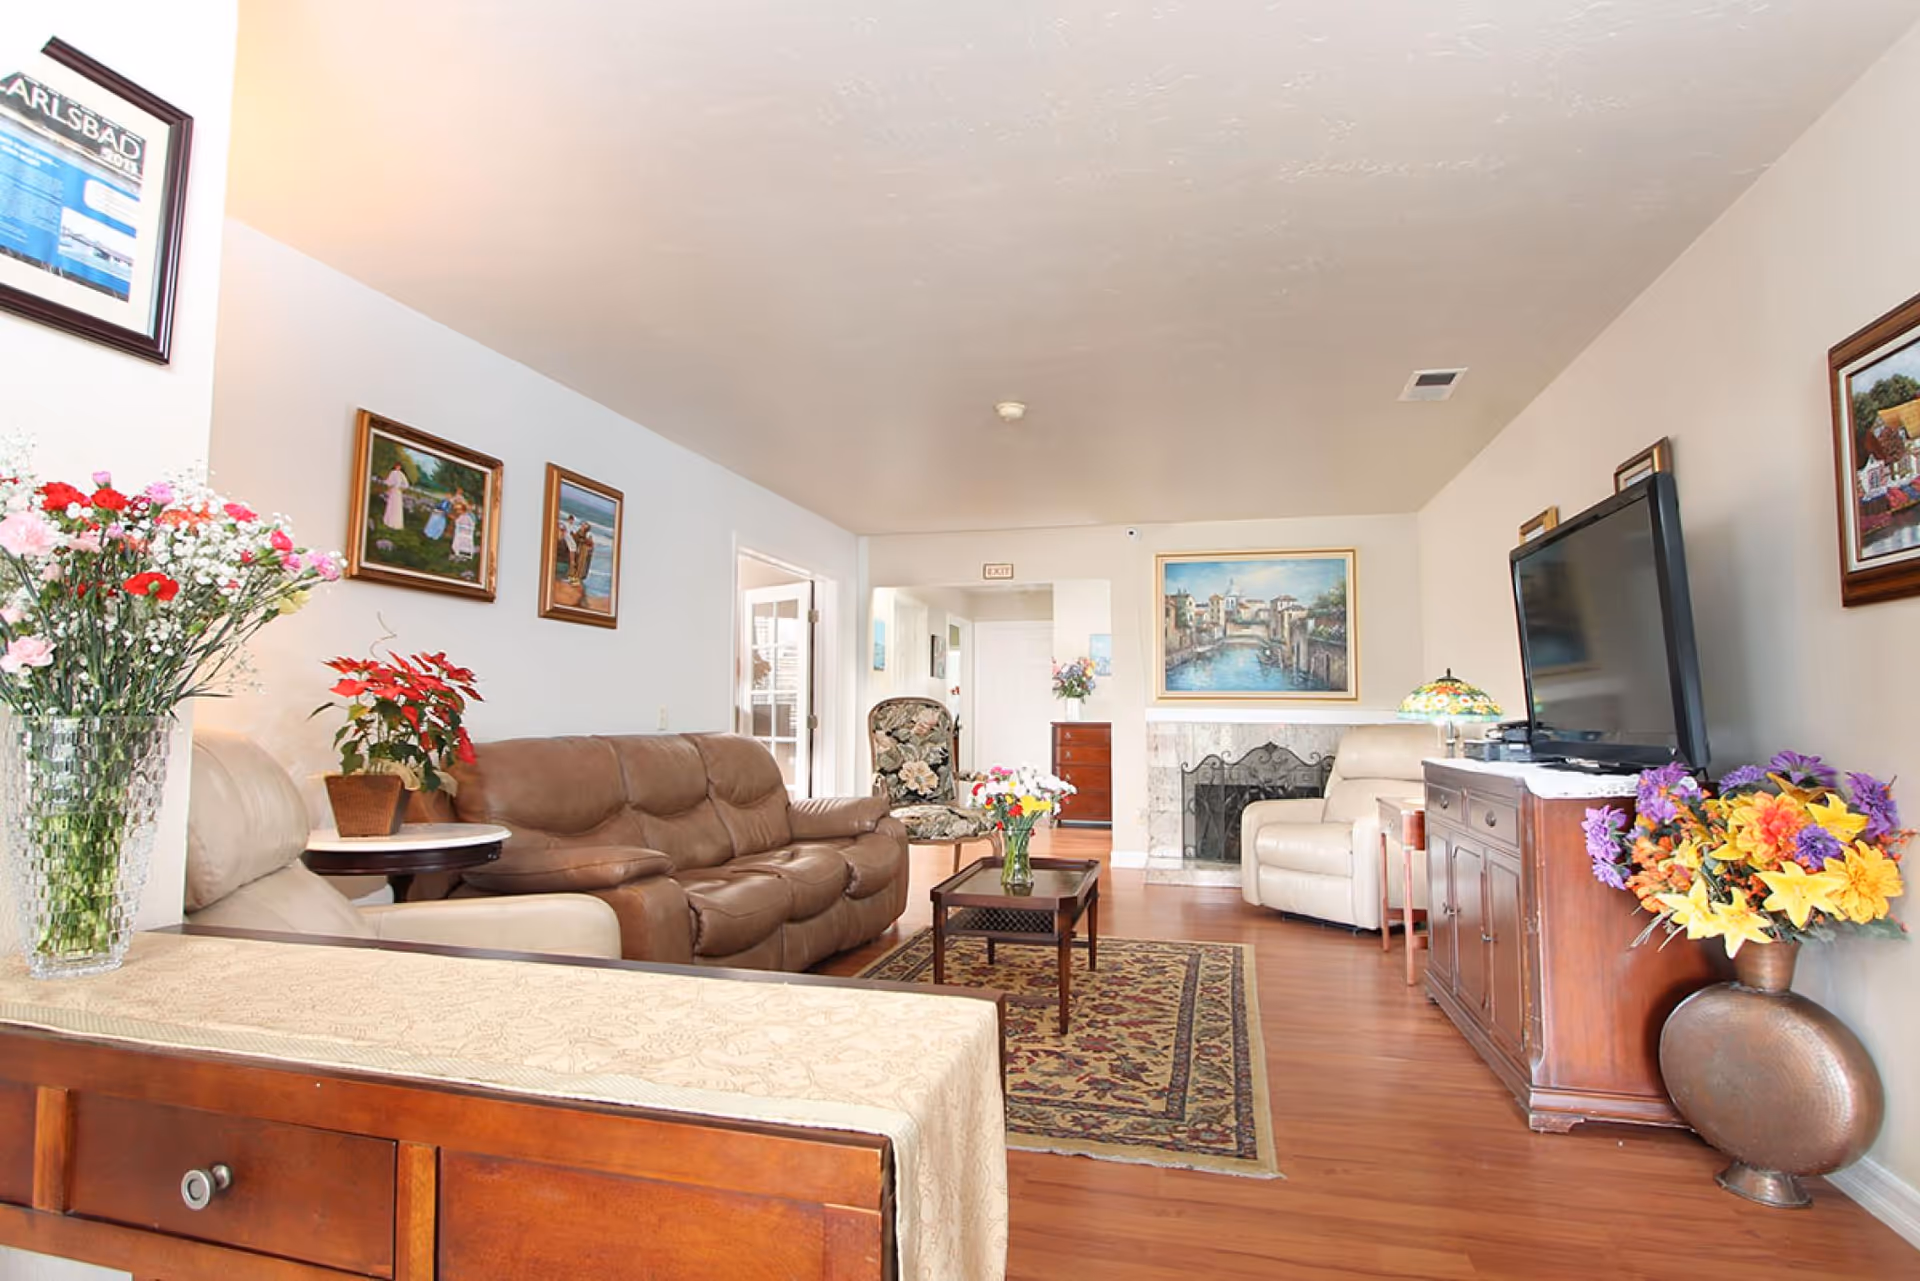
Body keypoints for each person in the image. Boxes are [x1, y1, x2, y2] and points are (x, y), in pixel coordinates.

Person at [379, 464, 409, 530]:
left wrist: (401, 488)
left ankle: (396, 523)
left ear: (400, 467)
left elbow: (406, 484)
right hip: (393, 491)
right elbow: (389, 481)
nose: (398, 467)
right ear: (395, 466)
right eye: (397, 466)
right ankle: (388, 521)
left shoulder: (401, 474)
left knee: (397, 506)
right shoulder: (392, 472)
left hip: (398, 492)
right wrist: (389, 485)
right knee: (391, 505)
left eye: (399, 466)